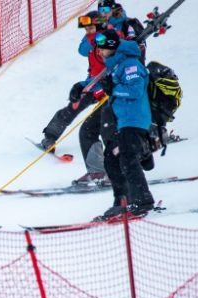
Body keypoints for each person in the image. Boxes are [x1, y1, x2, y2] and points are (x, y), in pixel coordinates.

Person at [39, 12, 109, 184]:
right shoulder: (92, 40)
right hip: (92, 83)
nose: (88, 31)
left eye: (91, 27)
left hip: (106, 87)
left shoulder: (106, 40)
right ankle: (50, 137)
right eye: (86, 28)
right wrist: (91, 36)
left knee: (103, 125)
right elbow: (82, 50)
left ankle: (108, 169)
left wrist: (98, 37)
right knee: (72, 108)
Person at [95, 30, 155, 219]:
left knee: (127, 158)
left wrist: (114, 89)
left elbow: (135, 90)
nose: (99, 50)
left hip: (135, 120)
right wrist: (81, 87)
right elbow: (103, 84)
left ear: (112, 47)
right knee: (111, 159)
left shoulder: (130, 64)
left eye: (103, 46)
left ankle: (143, 200)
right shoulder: (116, 65)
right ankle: (122, 200)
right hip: (124, 122)